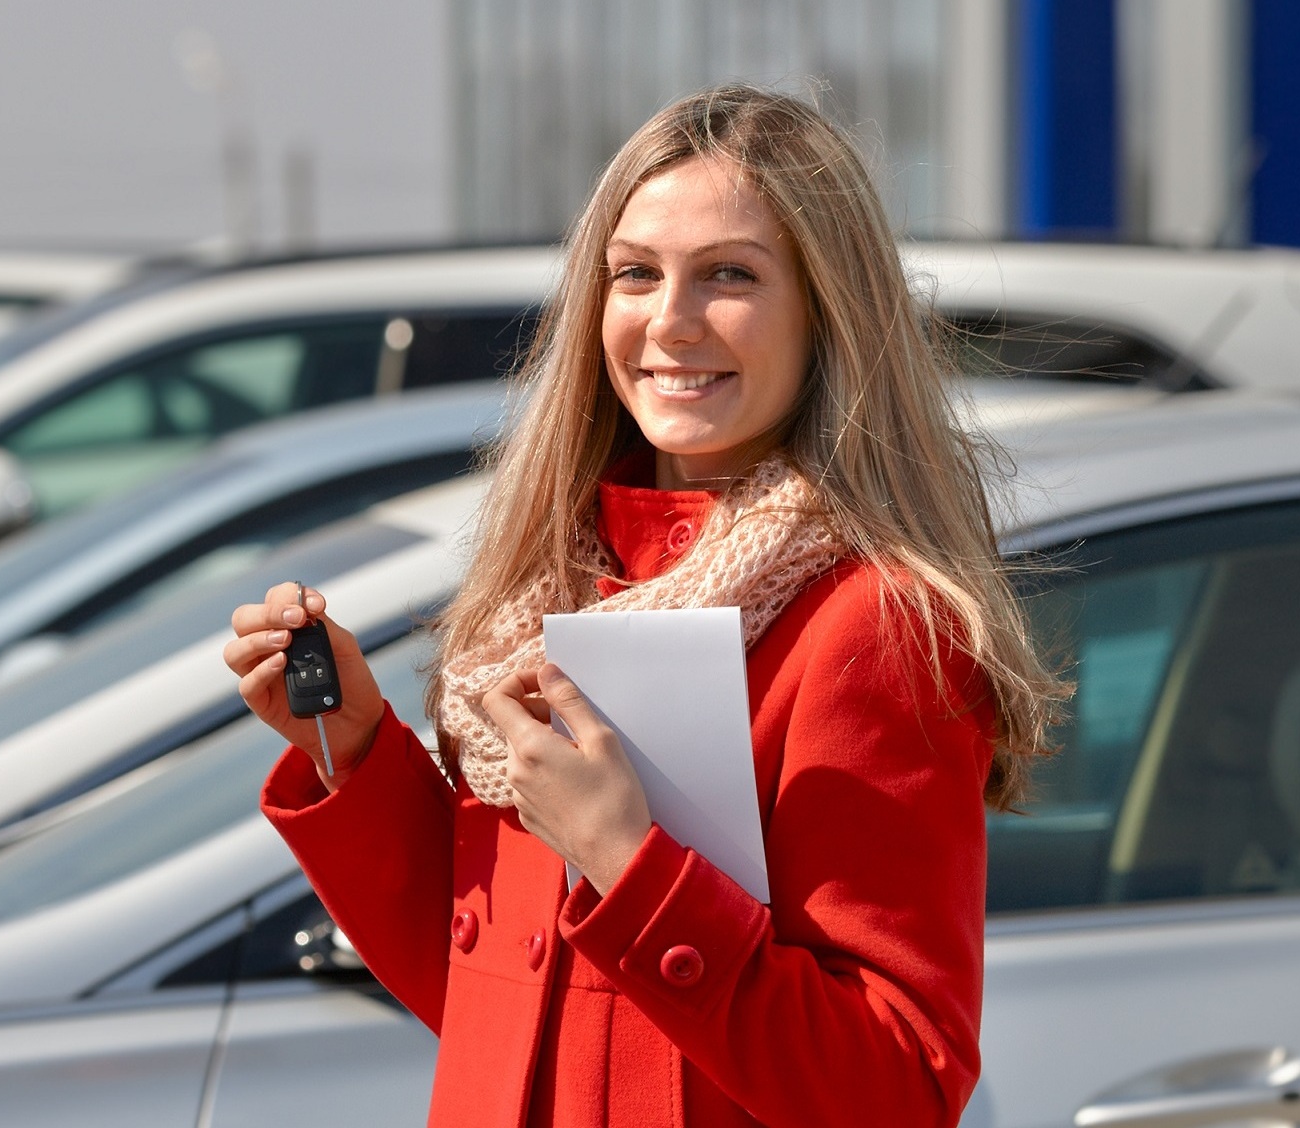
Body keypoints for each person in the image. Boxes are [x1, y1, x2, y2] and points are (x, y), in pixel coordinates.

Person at [222, 85, 1062, 1128]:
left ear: (826, 310)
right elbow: (492, 1005)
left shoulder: (874, 623)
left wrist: (629, 862)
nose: (671, 320)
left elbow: (896, 1087)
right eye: (636, 274)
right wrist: (350, 749)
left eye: (729, 275)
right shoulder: (545, 587)